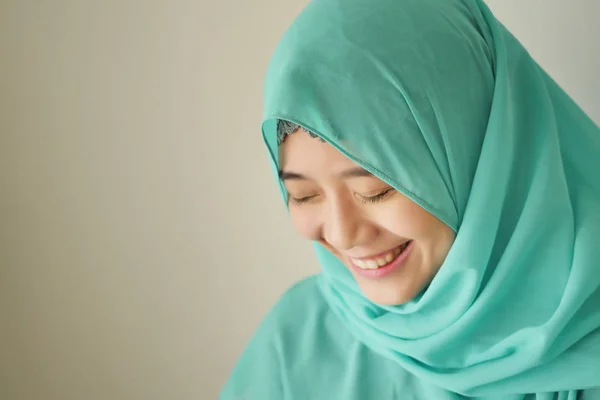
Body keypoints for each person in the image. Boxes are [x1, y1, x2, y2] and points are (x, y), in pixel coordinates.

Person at [220, 0, 600, 398]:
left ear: (481, 154)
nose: (343, 234)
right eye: (303, 195)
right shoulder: (295, 344)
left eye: (375, 189)